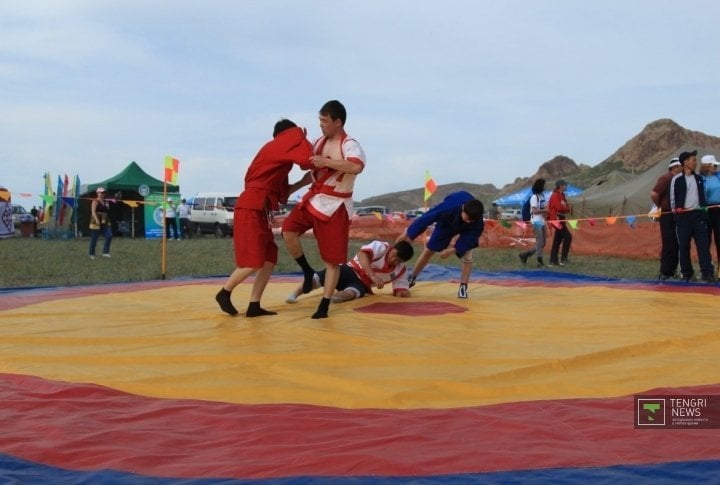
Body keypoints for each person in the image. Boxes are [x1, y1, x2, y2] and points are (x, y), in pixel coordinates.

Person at [215, 119, 313, 317]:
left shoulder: (277, 161)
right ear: (287, 135)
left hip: (258, 208)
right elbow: (306, 160)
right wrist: (301, 136)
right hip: (251, 207)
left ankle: (254, 305)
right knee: (254, 260)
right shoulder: (278, 145)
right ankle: (224, 293)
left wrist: (303, 182)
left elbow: (282, 194)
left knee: (269, 257)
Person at [282, 100, 366, 319]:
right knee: (288, 230)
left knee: (332, 261)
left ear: (337, 122)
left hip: (336, 206)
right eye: (319, 120)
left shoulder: (350, 144)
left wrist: (326, 161)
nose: (321, 125)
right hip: (314, 199)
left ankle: (324, 304)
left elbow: (356, 166)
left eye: (324, 121)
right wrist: (293, 188)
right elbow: (312, 171)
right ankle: (308, 272)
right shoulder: (318, 141)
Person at [396, 191, 484, 299]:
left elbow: (469, 238)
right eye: (468, 218)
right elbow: (426, 219)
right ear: (463, 210)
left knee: (467, 253)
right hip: (447, 224)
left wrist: (452, 250)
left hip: (467, 231)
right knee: (429, 250)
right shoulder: (447, 208)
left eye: (472, 220)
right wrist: (409, 233)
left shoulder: (476, 221)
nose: (469, 221)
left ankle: (463, 287)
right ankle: (412, 277)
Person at [286, 240, 414, 304]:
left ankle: (329, 301)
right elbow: (362, 254)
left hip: (361, 284)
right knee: (319, 278)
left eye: (398, 260)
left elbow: (401, 290)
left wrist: (403, 294)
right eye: (394, 255)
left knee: (352, 293)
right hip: (349, 270)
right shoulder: (381, 247)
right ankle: (295, 294)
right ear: (392, 248)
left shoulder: (400, 270)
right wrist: (372, 275)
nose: (394, 260)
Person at [669, 150, 715, 283]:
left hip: (698, 217)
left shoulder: (699, 178)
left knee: (703, 246)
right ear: (685, 162)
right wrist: (676, 214)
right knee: (684, 246)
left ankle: (707, 273)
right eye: (693, 160)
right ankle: (687, 273)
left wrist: (703, 211)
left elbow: (703, 197)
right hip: (683, 217)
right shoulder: (676, 180)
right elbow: (672, 198)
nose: (696, 162)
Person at [650, 157, 683, 280]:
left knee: (675, 243)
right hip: (667, 214)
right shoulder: (666, 178)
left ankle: (672, 270)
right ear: (675, 167)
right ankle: (665, 272)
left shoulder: (678, 179)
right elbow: (654, 194)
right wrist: (660, 206)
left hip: (676, 214)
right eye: (681, 166)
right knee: (669, 242)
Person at [518, 179, 548, 267]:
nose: (546, 186)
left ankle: (525, 255)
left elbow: (543, 208)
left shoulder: (542, 196)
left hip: (542, 221)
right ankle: (540, 261)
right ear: (541, 186)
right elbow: (534, 211)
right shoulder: (534, 197)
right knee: (540, 241)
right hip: (536, 221)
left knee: (543, 243)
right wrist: (545, 210)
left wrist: (545, 212)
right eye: (544, 185)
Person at [700, 154, 720, 271]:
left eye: (716, 165)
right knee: (705, 239)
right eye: (714, 165)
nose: (716, 167)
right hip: (705, 210)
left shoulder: (718, 176)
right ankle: (707, 268)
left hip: (718, 210)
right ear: (707, 166)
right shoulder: (699, 178)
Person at [548, 179, 572, 266]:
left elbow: (568, 208)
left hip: (561, 218)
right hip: (557, 219)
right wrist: (564, 206)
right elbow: (559, 207)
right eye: (565, 185)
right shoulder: (555, 195)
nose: (566, 186)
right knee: (568, 237)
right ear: (561, 186)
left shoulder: (562, 195)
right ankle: (563, 259)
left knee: (557, 240)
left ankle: (553, 260)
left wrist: (564, 205)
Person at [88, 187, 112, 259]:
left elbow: (106, 210)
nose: (102, 194)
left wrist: (107, 206)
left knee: (109, 235)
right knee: (94, 238)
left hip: (104, 220)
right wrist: (96, 219)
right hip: (96, 220)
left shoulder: (106, 201)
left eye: (103, 192)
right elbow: (93, 211)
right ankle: (91, 254)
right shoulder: (95, 201)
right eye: (100, 192)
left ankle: (105, 252)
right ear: (97, 193)